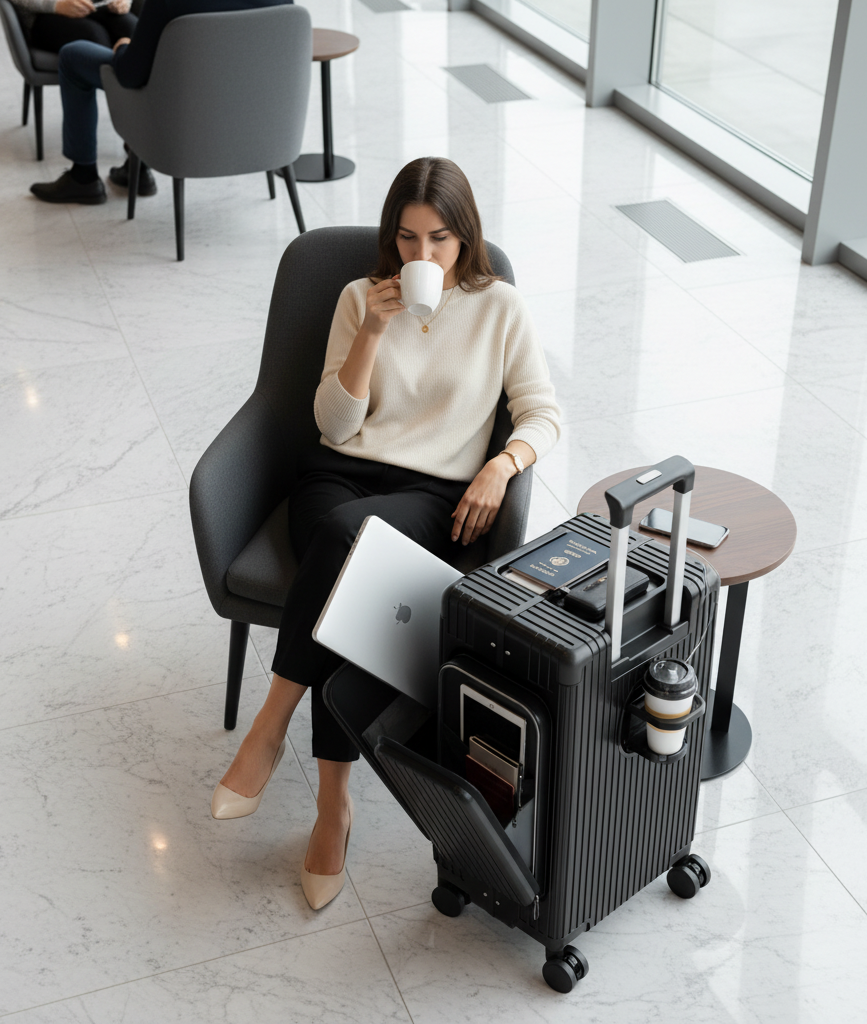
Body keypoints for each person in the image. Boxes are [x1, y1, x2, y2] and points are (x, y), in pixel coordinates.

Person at [209, 157, 562, 911]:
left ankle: (274, 729)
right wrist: (373, 330)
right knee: (346, 549)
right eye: (407, 239)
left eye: (440, 240)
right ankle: (331, 804)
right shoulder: (356, 299)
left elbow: (543, 411)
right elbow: (333, 426)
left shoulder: (502, 308)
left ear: (466, 239)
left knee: (347, 550)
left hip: (431, 497)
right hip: (336, 476)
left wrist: (502, 466)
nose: (422, 257)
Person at [29, 0, 292, 204]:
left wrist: (122, 47)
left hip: (179, 118)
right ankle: (137, 168)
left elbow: (130, 75)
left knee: (73, 55)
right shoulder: (285, 3)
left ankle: (83, 178)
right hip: (257, 129)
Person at [11, 0, 137, 56]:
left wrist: (124, 1)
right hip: (45, 15)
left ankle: (139, 102)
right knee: (95, 37)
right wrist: (56, 5)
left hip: (92, 5)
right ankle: (118, 97)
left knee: (133, 29)